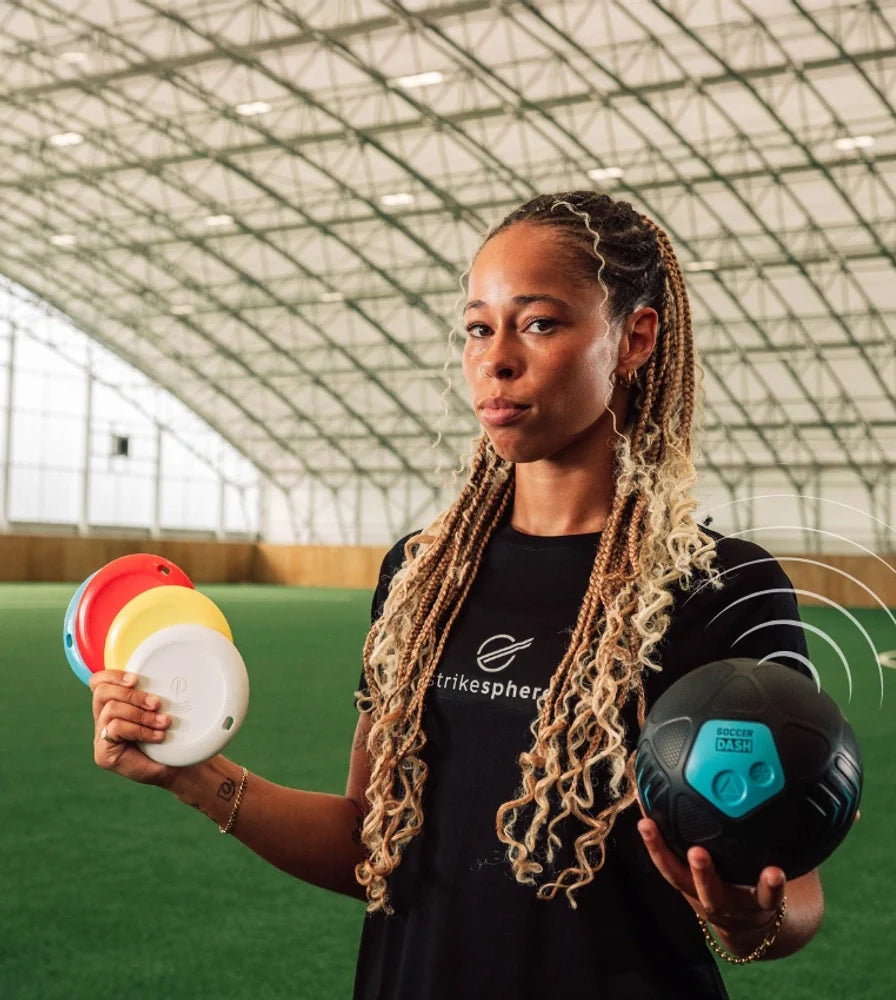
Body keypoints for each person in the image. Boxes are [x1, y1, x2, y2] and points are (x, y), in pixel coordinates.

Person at [90, 191, 829, 999]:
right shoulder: (421, 576)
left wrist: (750, 921)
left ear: (635, 338)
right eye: (479, 327)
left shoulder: (727, 590)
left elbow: (793, 896)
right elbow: (370, 845)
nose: (496, 358)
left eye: (539, 323)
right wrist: (188, 771)